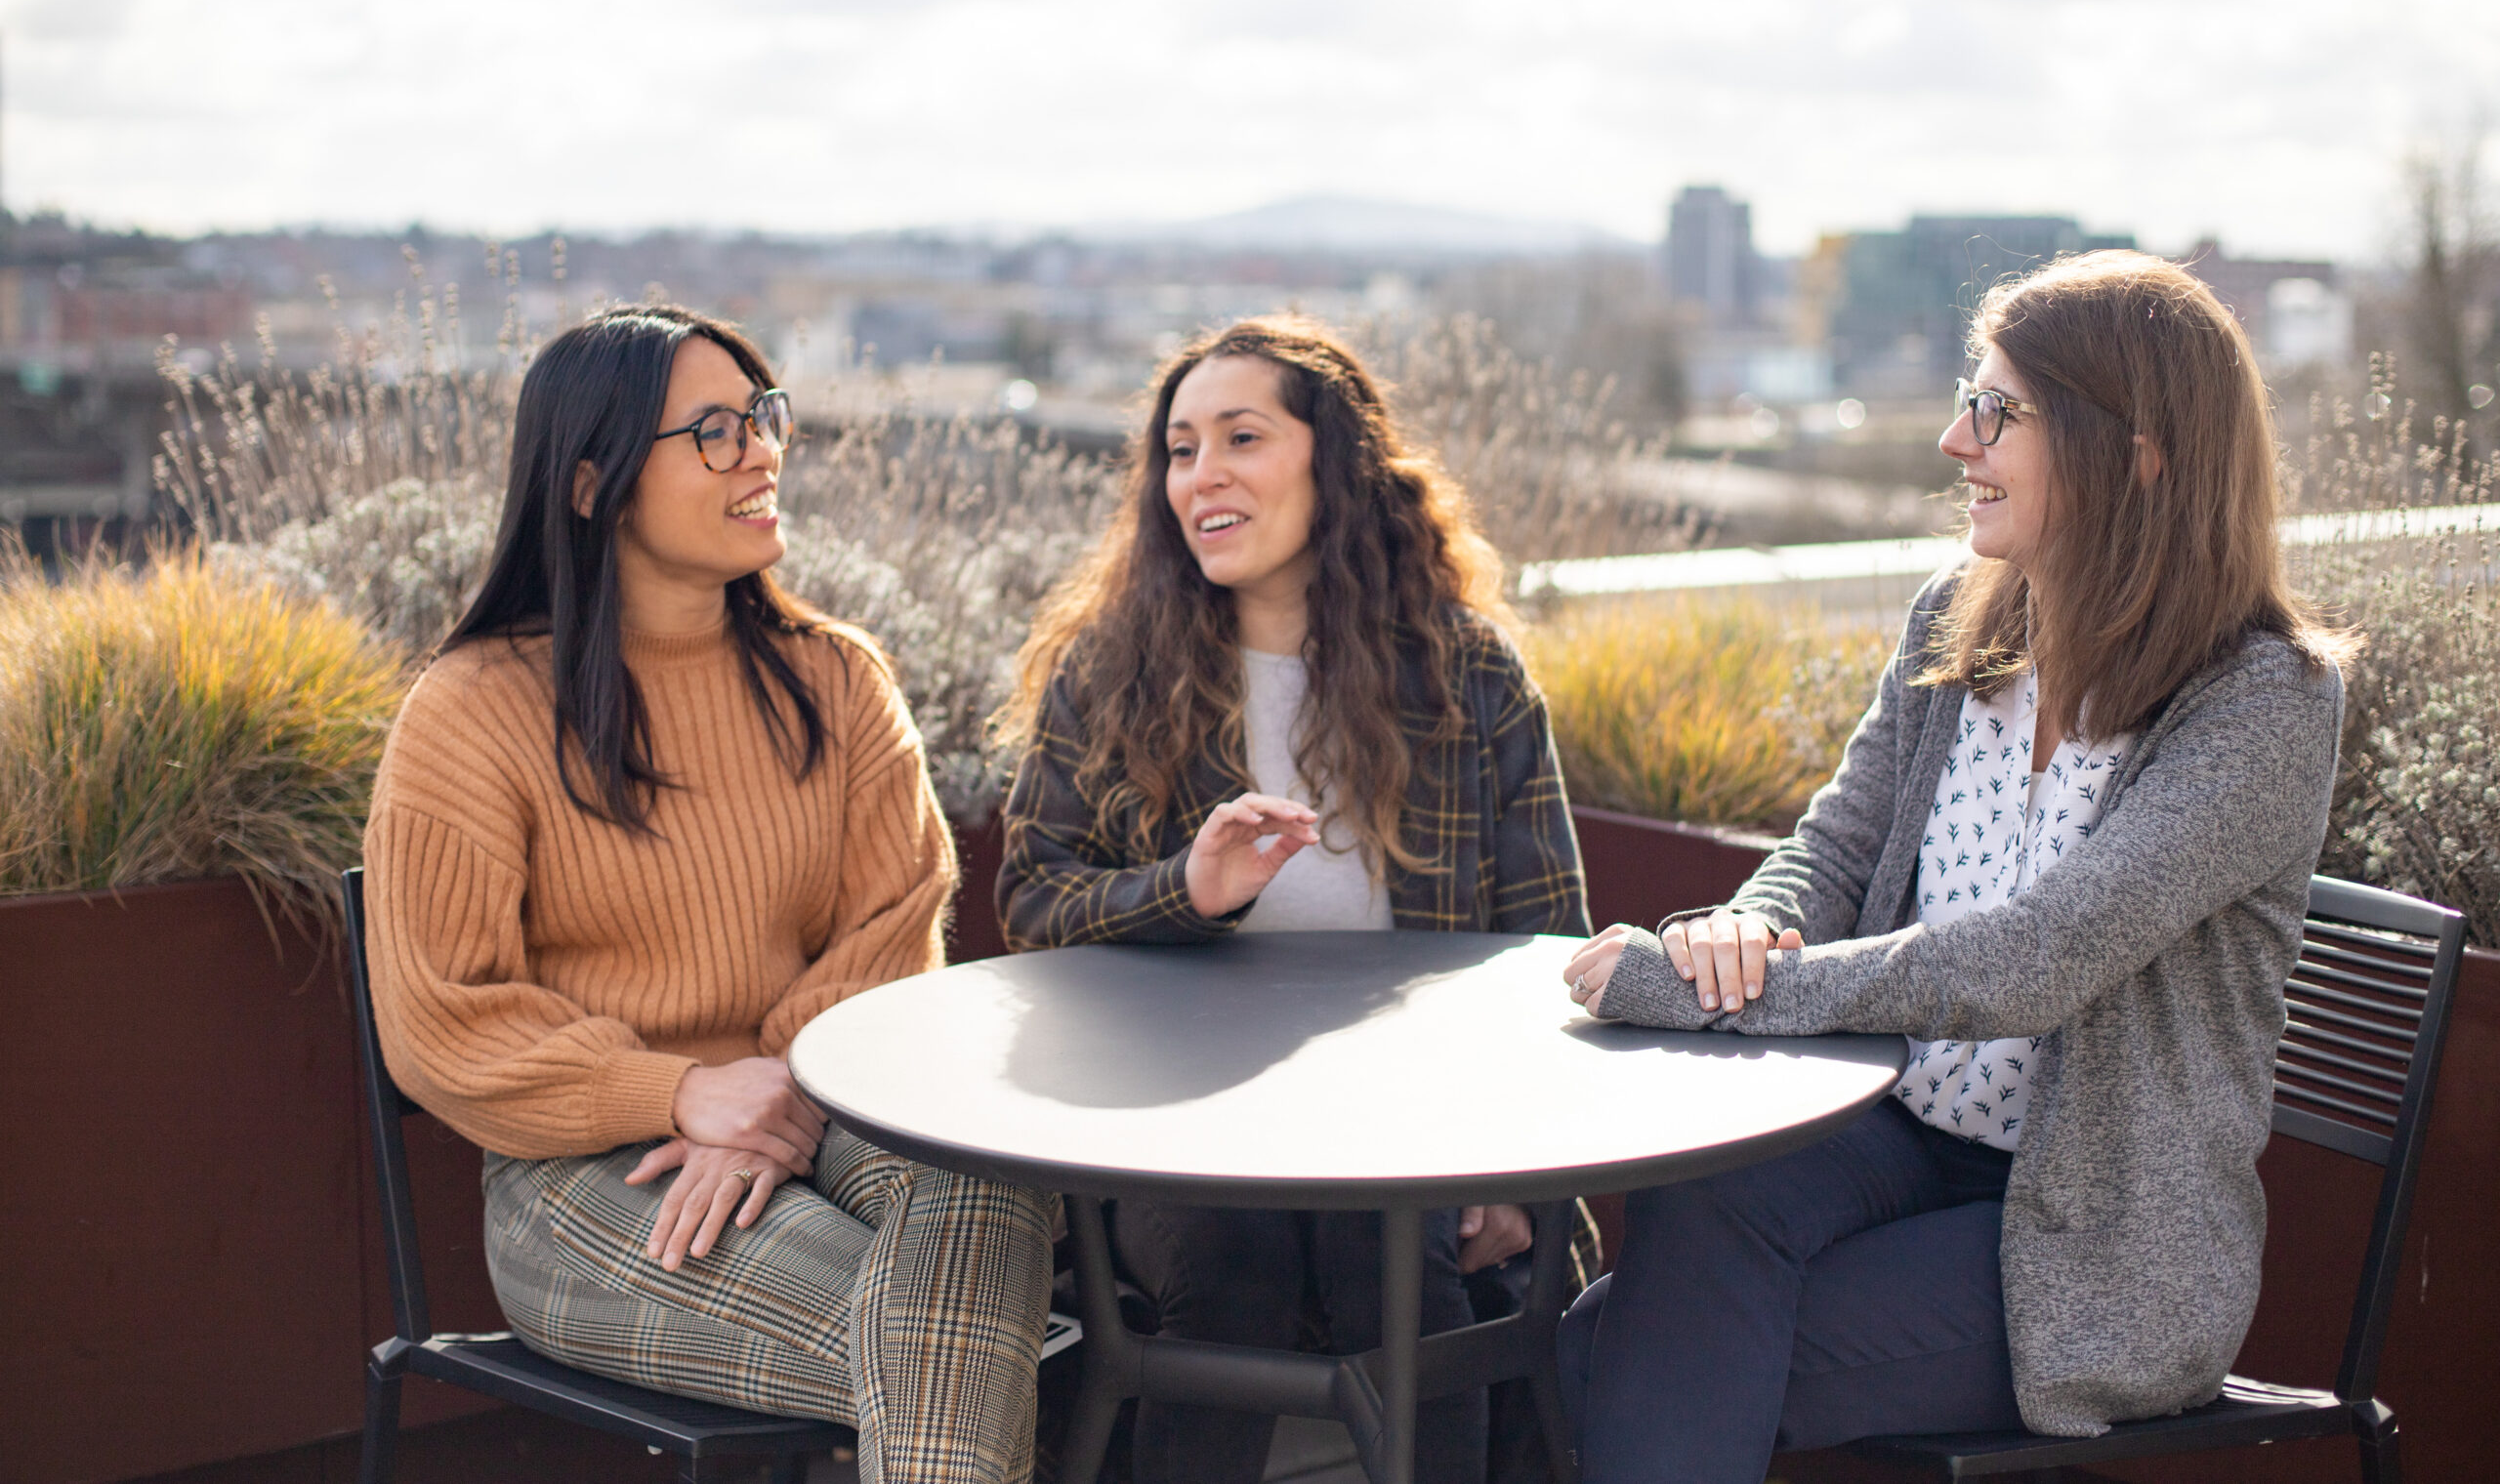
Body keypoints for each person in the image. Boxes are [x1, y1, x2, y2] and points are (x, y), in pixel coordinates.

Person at [1554, 250, 2354, 1483]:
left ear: (2134, 451)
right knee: (1694, 1203)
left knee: (1605, 1356)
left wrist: (1703, 990)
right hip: (1900, 1133)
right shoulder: (1959, 616)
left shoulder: (2262, 703)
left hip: (2098, 1243)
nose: (1951, 440)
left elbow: (2033, 962)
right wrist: (1744, 928)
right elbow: (1834, 847)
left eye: (1996, 411)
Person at [364, 305, 1052, 1484]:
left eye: (765, 416)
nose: (763, 452)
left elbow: (893, 931)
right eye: (717, 431)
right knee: (958, 1345)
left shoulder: (837, 681)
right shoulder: (474, 709)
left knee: (989, 1187)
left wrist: (767, 1097)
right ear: (593, 485)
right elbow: (442, 1016)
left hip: (830, 1115)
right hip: (586, 1176)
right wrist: (679, 1091)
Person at [994, 315, 1593, 1484]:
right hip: (1176, 1127)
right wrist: (1188, 891)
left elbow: (1548, 950)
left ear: (1334, 460)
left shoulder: (1465, 676)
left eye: (1240, 437)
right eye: (1178, 448)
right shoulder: (1112, 671)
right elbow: (1033, 902)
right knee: (1234, 1270)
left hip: (1415, 1125)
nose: (1199, 475)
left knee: (1409, 1273)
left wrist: (1520, 1177)